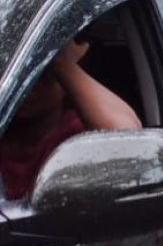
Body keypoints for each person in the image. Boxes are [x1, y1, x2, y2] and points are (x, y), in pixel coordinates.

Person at [0, 38, 141, 199]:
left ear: (68, 84)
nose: (27, 86)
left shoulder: (78, 133)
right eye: (20, 77)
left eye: (43, 75)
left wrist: (59, 61)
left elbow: (129, 142)